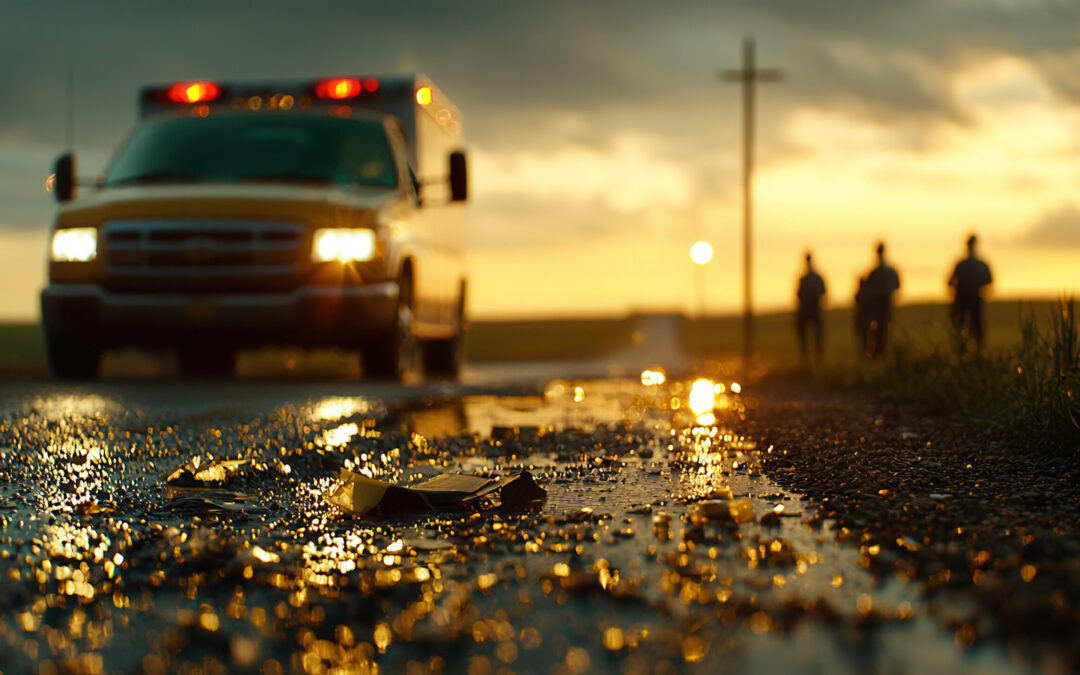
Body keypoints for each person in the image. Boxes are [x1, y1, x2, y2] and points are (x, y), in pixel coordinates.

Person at [948, 234, 993, 351]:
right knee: (975, 329)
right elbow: (989, 281)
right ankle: (976, 353)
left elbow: (949, 282)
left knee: (963, 328)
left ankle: (965, 352)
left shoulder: (961, 264)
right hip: (974, 300)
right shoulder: (981, 265)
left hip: (965, 301)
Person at [863, 242, 900, 357]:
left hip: (881, 305)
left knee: (881, 330)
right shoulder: (887, 271)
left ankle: (880, 352)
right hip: (881, 305)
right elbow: (897, 286)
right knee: (881, 330)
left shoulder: (875, 272)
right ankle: (880, 352)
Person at [796, 252, 826, 361]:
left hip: (810, 309)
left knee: (814, 334)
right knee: (815, 334)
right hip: (812, 309)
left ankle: (812, 356)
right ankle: (812, 356)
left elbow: (798, 295)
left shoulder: (805, 279)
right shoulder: (815, 277)